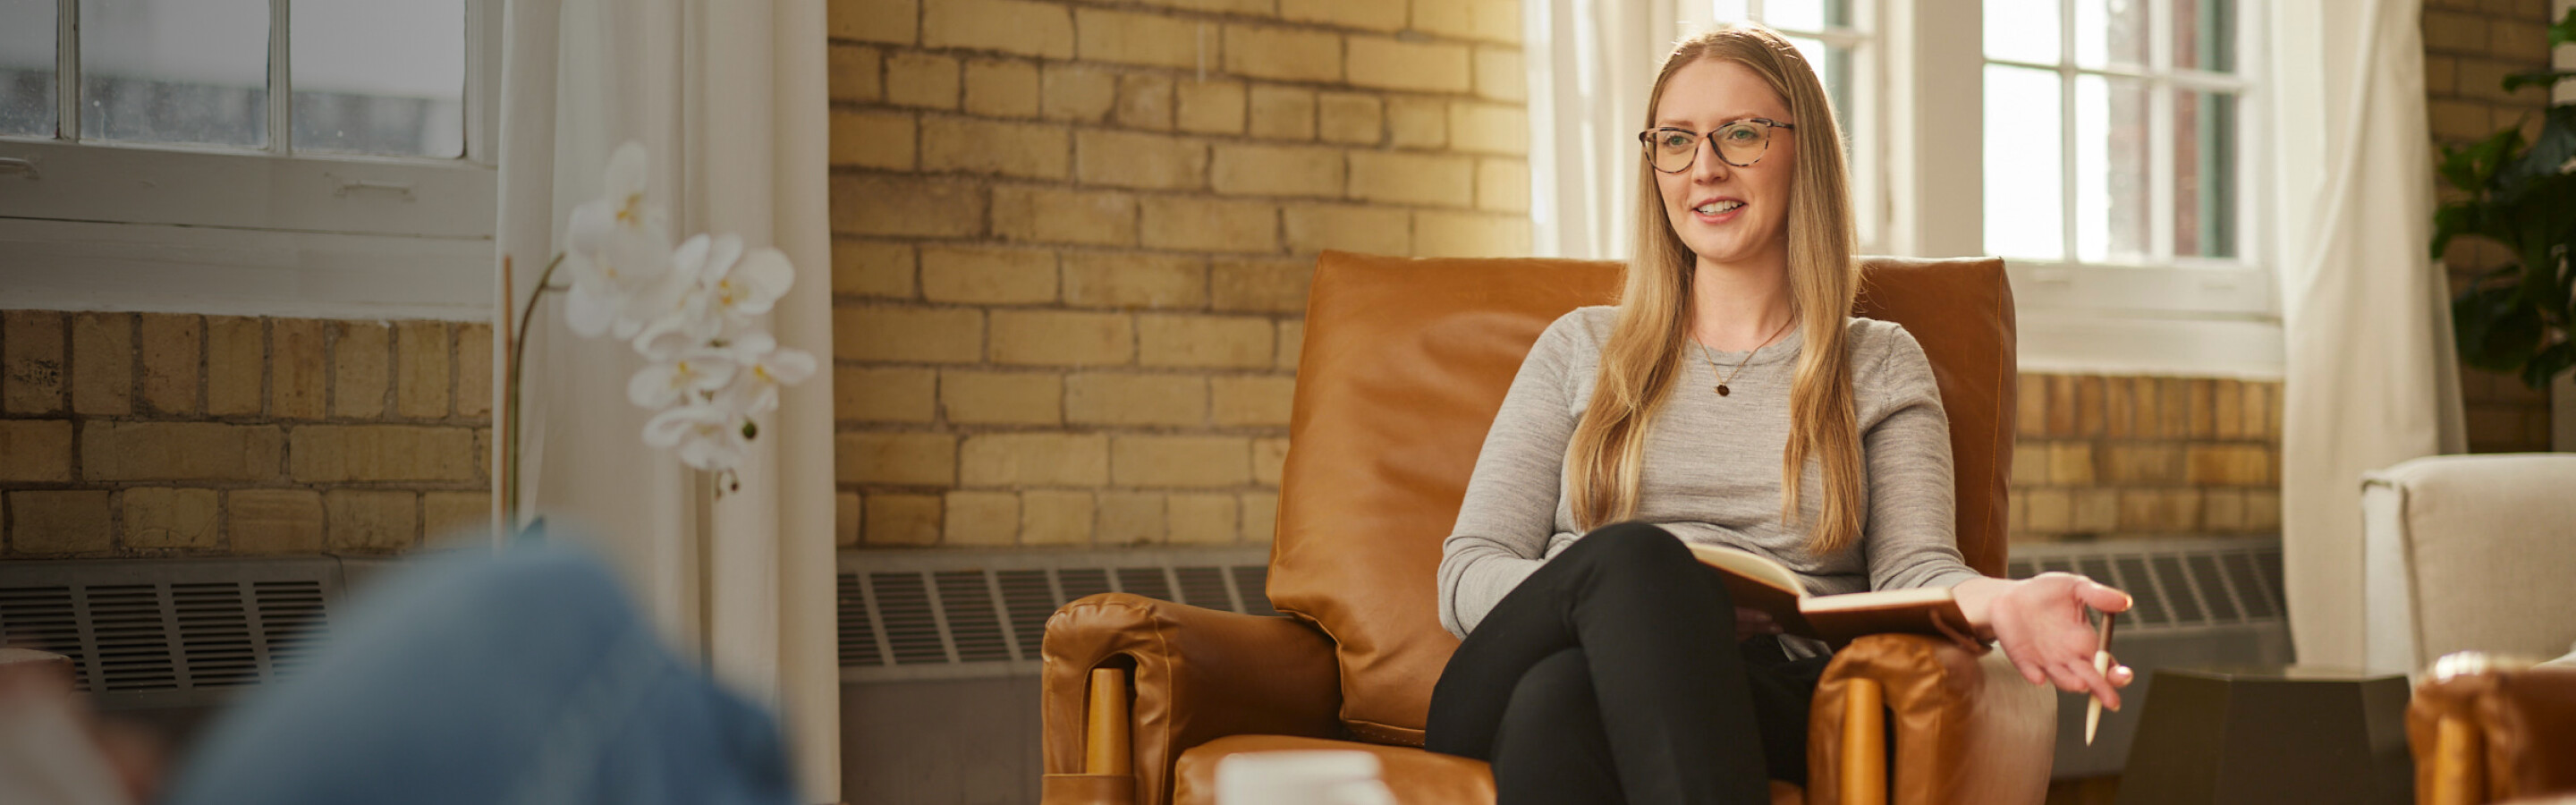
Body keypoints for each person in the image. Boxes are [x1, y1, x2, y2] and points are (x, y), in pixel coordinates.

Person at [1423, 24, 2134, 804]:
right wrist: (1647, 601)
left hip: (1765, 689)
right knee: (1636, 567)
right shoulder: (1578, 348)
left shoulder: (1879, 362)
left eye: (1741, 134)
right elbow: (1469, 572)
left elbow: (1915, 573)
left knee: (1560, 703)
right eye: (1676, 140)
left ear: (1806, 153)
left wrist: (2004, 602)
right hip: (1523, 657)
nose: (1705, 168)